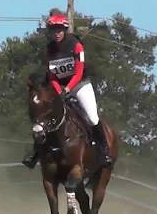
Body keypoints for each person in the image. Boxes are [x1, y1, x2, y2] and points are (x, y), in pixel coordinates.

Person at [22, 12, 113, 169]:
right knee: (45, 116)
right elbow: (52, 76)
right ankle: (36, 153)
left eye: (59, 29)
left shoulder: (76, 46)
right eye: (53, 30)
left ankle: (105, 152)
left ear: (64, 29)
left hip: (79, 85)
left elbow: (78, 73)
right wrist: (58, 91)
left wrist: (68, 89)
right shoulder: (50, 50)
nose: (56, 33)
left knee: (92, 118)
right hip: (59, 86)